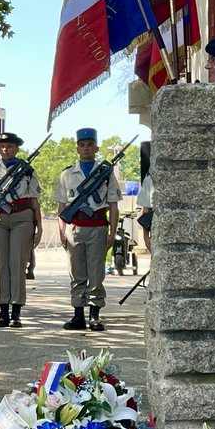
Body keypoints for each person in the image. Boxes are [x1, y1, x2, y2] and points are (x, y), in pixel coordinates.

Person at [54, 128, 122, 331]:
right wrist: (61, 231)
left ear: (97, 147)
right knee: (76, 273)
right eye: (82, 145)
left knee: (96, 272)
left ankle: (95, 315)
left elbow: (113, 205)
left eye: (90, 144)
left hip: (98, 227)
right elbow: (62, 206)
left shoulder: (106, 173)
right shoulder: (67, 174)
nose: (86, 148)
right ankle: (78, 316)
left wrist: (112, 232)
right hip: (75, 228)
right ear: (77, 148)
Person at [0, 132, 42, 328]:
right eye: (2, 146)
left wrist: (39, 227)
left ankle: (16, 311)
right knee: (1, 265)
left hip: (22, 218)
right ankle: (3, 310)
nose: (5, 149)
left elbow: (34, 200)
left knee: (18, 264)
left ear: (17, 148)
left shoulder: (27, 170)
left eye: (10, 146)